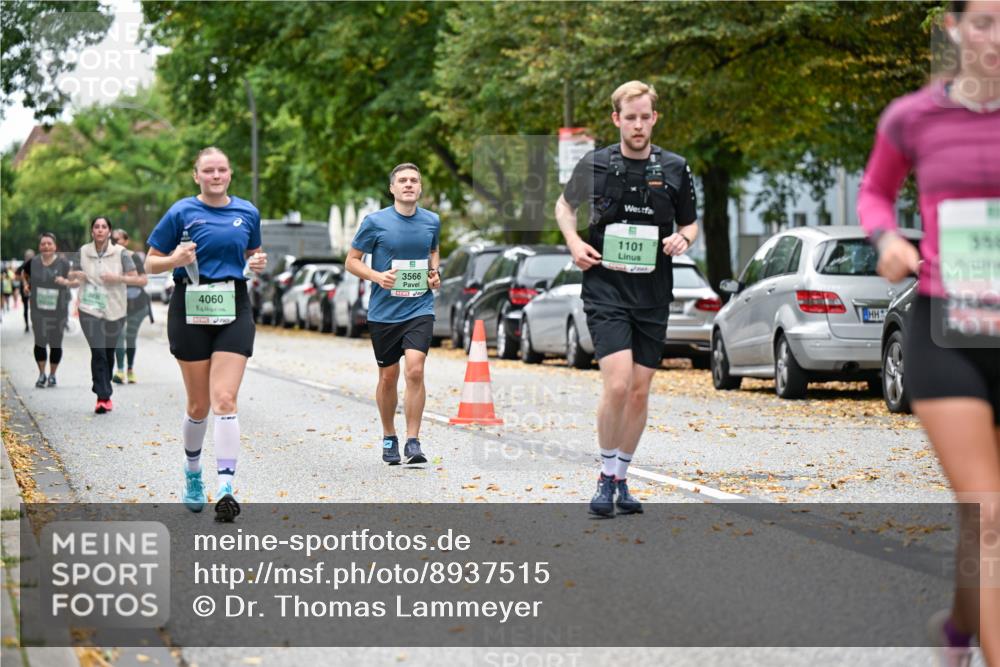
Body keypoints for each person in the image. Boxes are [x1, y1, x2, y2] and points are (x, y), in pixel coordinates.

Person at [858, 1, 999, 664]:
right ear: (954, 28)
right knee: (990, 512)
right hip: (947, 328)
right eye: (984, 22)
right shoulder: (913, 118)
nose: (996, 38)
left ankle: (959, 627)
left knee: (987, 521)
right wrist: (887, 239)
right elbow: (874, 193)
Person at [555, 81, 699, 517]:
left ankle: (621, 477)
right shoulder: (596, 163)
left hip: (653, 292)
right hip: (605, 288)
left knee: (639, 391)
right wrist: (574, 244)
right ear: (617, 119)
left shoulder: (675, 167)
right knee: (617, 384)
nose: (638, 124)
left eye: (645, 116)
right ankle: (603, 476)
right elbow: (564, 208)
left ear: (655, 118)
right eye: (629, 117)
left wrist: (682, 239)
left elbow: (691, 224)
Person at [145, 147, 266, 522]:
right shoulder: (181, 212)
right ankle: (193, 473)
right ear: (196, 175)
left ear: (230, 174)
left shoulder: (247, 212)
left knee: (225, 399)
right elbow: (150, 262)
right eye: (208, 171)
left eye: (222, 170)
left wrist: (257, 263)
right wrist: (174, 260)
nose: (216, 176)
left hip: (233, 305)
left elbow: (255, 255)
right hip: (190, 307)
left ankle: (226, 485)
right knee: (199, 406)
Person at [345, 162, 441, 466]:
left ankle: (413, 440)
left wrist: (434, 274)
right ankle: (390, 435)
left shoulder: (432, 221)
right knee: (388, 377)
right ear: (393, 188)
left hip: (419, 307)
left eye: (414, 180)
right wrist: (376, 276)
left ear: (420, 187)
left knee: (415, 368)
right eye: (403, 180)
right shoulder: (374, 222)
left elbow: (433, 251)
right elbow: (351, 261)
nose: (409, 184)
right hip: (385, 312)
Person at [69, 217, 141, 414]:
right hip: (89, 308)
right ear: (92, 231)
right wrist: (77, 276)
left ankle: (102, 387)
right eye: (96, 227)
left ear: (109, 231)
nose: (100, 230)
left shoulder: (121, 253)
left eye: (104, 227)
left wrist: (116, 278)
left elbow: (135, 277)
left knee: (108, 352)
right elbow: (71, 276)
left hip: (115, 308)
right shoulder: (83, 251)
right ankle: (102, 396)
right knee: (98, 351)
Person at [22, 233, 72, 388]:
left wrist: (65, 281)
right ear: (39, 246)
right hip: (38, 310)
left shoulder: (63, 263)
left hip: (59, 310)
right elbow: (24, 274)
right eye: (43, 244)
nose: (46, 246)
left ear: (55, 246)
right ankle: (41, 374)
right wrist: (25, 285)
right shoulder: (33, 262)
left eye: (49, 243)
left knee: (56, 343)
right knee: (40, 342)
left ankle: (53, 375)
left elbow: (72, 280)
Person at [110, 229, 149, 384]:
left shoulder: (134, 257)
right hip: (116, 304)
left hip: (137, 304)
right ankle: (120, 371)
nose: (114, 243)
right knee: (119, 336)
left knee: (130, 337)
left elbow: (143, 280)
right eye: (112, 240)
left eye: (118, 240)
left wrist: (119, 279)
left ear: (126, 241)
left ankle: (130, 369)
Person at [17, 249, 34, 332]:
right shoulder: (22, 266)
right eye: (29, 256)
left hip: (33, 289)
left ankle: (32, 324)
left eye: (31, 256)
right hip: (25, 289)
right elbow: (16, 276)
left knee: (32, 308)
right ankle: (27, 324)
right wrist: (24, 281)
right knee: (26, 307)